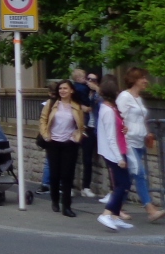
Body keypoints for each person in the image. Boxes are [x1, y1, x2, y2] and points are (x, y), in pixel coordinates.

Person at [117, 68, 165, 223]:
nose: (146, 81)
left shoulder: (138, 98)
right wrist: (122, 134)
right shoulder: (124, 97)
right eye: (142, 78)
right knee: (140, 173)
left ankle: (116, 207)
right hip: (129, 141)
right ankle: (150, 209)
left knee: (130, 176)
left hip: (139, 141)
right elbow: (118, 118)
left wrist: (147, 133)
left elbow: (141, 119)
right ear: (134, 80)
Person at [40, 79, 84, 217]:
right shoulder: (51, 104)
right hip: (53, 142)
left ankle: (67, 206)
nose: (62, 91)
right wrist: (46, 135)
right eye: (60, 88)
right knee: (55, 174)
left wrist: (77, 136)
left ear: (71, 90)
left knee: (67, 175)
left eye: (65, 88)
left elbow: (81, 125)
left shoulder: (76, 106)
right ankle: (54, 200)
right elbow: (43, 120)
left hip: (69, 143)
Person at [96, 74, 134, 231]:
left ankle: (115, 216)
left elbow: (115, 130)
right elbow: (110, 137)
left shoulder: (111, 109)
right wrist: (119, 158)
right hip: (114, 152)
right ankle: (107, 213)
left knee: (121, 183)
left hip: (118, 149)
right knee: (123, 183)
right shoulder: (108, 111)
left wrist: (123, 129)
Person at [72, 68, 99, 198]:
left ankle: (86, 187)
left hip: (91, 128)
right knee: (72, 157)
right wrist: (81, 107)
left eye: (93, 80)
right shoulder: (80, 91)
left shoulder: (96, 94)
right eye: (87, 79)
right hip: (79, 127)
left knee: (87, 159)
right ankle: (69, 186)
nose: (89, 81)